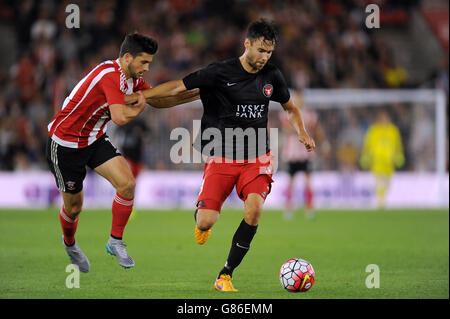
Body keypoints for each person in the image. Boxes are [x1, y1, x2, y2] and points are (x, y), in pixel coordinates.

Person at [126, 19, 315, 291]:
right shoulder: (219, 72)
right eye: (261, 50)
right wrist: (143, 97)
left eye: (269, 52)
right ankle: (201, 220)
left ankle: (225, 274)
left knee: (254, 210)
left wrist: (302, 131)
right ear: (247, 43)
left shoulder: (272, 76)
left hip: (257, 158)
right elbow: (179, 87)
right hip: (221, 157)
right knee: (206, 221)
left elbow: (290, 107)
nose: (264, 57)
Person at [46, 33, 199, 272]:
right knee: (74, 208)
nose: (147, 68)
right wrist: (139, 106)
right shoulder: (109, 76)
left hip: (94, 139)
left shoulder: (131, 78)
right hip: (65, 145)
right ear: (127, 57)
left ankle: (115, 241)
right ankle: (70, 244)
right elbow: (120, 116)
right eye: (144, 62)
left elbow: (157, 99)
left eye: (150, 63)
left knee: (127, 184)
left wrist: (197, 93)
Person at [279, 92, 329, 220]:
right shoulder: (288, 113)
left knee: (307, 181)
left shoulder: (311, 115)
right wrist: (301, 129)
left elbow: (317, 130)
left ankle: (309, 208)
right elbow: (286, 129)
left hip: (306, 153)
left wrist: (324, 144)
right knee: (290, 181)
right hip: (291, 153)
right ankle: (289, 208)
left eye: (300, 99)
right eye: (296, 99)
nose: (298, 101)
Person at [360, 109, 405, 209]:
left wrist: (399, 155)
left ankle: (382, 200)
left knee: (387, 183)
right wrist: (366, 156)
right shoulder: (374, 130)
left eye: (385, 117)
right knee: (379, 181)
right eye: (382, 117)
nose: (384, 119)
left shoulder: (393, 130)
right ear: (379, 118)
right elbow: (368, 145)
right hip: (377, 161)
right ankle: (380, 202)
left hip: (389, 162)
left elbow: (398, 145)